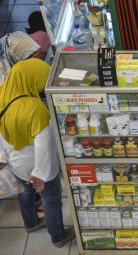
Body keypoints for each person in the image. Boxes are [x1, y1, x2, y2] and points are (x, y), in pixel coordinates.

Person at [0, 59, 75, 247]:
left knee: (24, 194)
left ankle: (31, 223)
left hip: (15, 162)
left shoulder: (3, 96)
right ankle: (58, 236)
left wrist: (2, 159)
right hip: (36, 166)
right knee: (51, 199)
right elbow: (44, 146)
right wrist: (40, 174)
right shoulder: (35, 109)